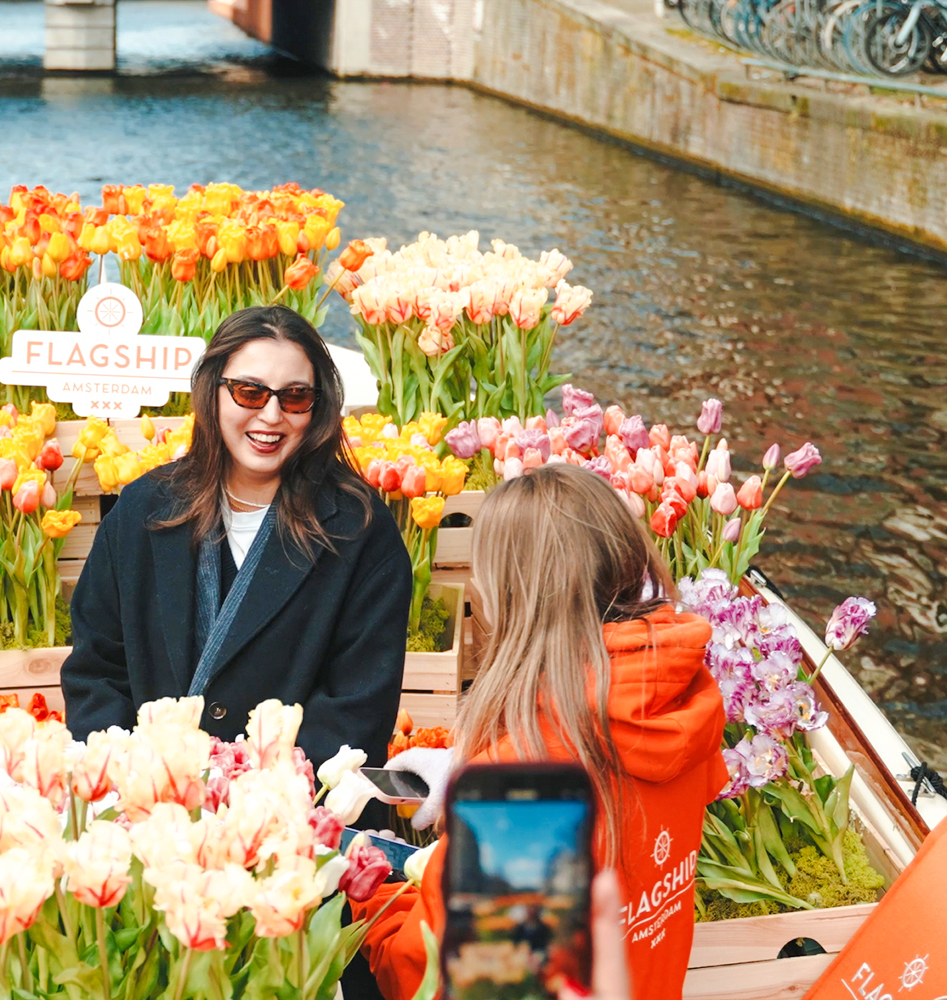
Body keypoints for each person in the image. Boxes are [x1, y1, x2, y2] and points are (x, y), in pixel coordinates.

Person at [353, 463, 727, 1000]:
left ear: (514, 597)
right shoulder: (683, 696)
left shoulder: (516, 790)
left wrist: (374, 891)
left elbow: (427, 973)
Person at [60, 305, 411, 766]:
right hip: (151, 807)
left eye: (295, 397)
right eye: (249, 392)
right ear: (213, 391)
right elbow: (97, 671)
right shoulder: (143, 511)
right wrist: (136, 778)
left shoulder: (359, 530)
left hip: (289, 815)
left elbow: (356, 709)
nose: (271, 415)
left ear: (318, 404)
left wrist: (254, 793)